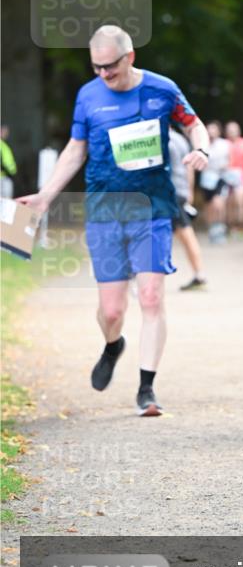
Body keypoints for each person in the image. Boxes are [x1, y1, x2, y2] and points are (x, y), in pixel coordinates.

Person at [18, 26, 210, 417]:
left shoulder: (162, 89)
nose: (104, 75)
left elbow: (193, 123)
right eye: (96, 67)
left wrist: (201, 147)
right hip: (105, 210)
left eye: (111, 67)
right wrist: (45, 195)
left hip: (153, 207)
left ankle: (147, 389)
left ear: (130, 57)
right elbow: (75, 149)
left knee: (152, 296)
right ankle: (112, 345)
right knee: (111, 311)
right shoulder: (88, 96)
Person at [169, 126, 207, 291]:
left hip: (169, 193)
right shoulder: (180, 139)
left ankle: (199, 275)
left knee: (184, 232)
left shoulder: (163, 140)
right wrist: (189, 192)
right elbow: (189, 168)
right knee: (184, 232)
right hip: (181, 191)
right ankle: (199, 275)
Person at [200, 121, 230, 244]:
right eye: (209, 130)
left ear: (218, 131)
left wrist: (224, 166)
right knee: (209, 206)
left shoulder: (225, 144)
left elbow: (231, 160)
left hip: (220, 177)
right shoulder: (202, 144)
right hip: (207, 178)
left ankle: (220, 227)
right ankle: (212, 228)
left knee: (218, 203)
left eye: (213, 130)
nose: (211, 132)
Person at [224, 121, 243, 236]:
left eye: (234, 130)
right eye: (229, 130)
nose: (232, 132)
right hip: (227, 175)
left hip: (241, 175)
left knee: (240, 201)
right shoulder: (224, 143)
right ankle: (231, 227)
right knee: (229, 203)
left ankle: (240, 226)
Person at [0, 125, 17, 199]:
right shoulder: (3, 146)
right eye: (4, 132)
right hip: (3, 178)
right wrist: (12, 171)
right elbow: (8, 164)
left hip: (4, 177)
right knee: (6, 204)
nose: (6, 134)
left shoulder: (4, 145)